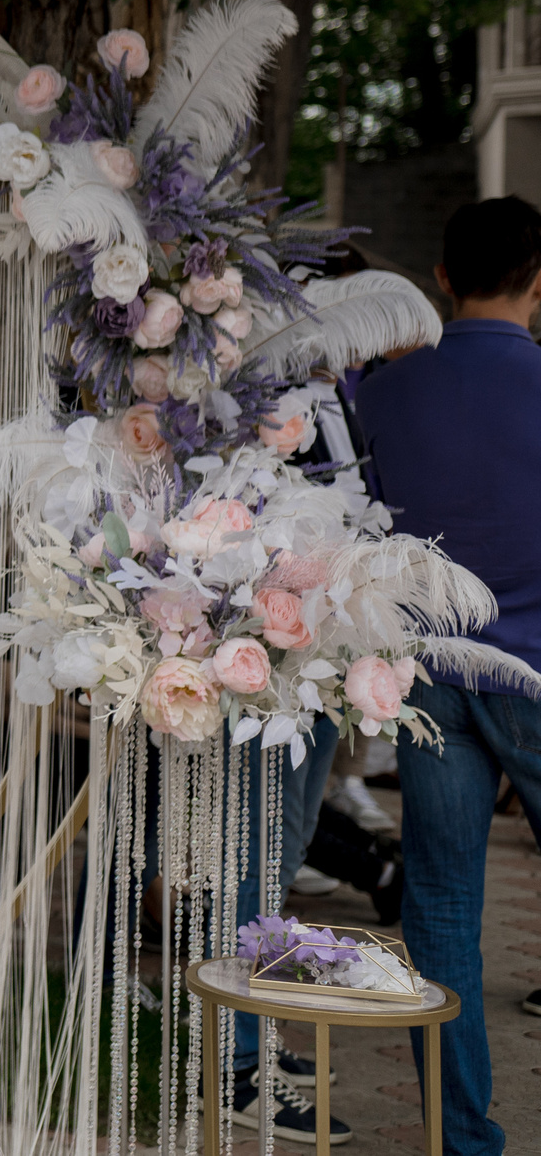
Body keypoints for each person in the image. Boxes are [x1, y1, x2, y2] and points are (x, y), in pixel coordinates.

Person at [354, 193, 541, 1156]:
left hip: (427, 675)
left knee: (439, 907)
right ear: (539, 283)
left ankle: (459, 1137)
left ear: (440, 278)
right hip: (538, 672)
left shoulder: (379, 394)